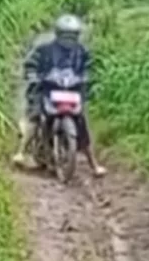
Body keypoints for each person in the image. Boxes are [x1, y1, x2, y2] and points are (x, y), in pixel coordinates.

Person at [12, 13, 107, 177]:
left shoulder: (82, 51)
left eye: (72, 36)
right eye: (65, 35)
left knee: (82, 122)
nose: (69, 40)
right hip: (45, 89)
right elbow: (30, 64)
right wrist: (34, 76)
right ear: (58, 34)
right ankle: (21, 152)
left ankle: (94, 164)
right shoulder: (44, 49)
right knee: (35, 114)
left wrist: (88, 78)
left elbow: (90, 67)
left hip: (71, 91)